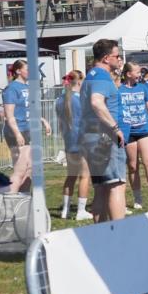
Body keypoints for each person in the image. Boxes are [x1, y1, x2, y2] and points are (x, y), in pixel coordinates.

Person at [79, 39, 126, 222]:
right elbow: (97, 102)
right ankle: (119, 232)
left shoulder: (90, 76)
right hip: (105, 136)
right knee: (116, 185)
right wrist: (115, 128)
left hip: (91, 136)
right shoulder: (101, 76)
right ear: (106, 58)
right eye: (117, 55)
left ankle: (100, 232)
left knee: (101, 187)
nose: (119, 59)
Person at [118, 61, 148, 209]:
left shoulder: (143, 88)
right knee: (133, 166)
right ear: (128, 74)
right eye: (137, 72)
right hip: (128, 132)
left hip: (144, 130)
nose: (140, 74)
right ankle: (137, 198)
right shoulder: (119, 90)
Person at [2, 58, 52, 193]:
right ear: (18, 71)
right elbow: (9, 115)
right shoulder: (11, 89)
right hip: (17, 130)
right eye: (28, 69)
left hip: (28, 129)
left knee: (30, 168)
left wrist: (43, 120)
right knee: (20, 169)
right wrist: (18, 134)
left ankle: (23, 199)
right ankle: (11, 199)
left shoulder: (27, 87)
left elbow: (29, 109)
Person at [55, 70, 92, 221]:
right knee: (85, 176)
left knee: (71, 176)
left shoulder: (60, 99)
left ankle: (65, 210)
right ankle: (81, 211)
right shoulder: (81, 99)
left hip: (69, 141)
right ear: (79, 81)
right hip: (82, 140)